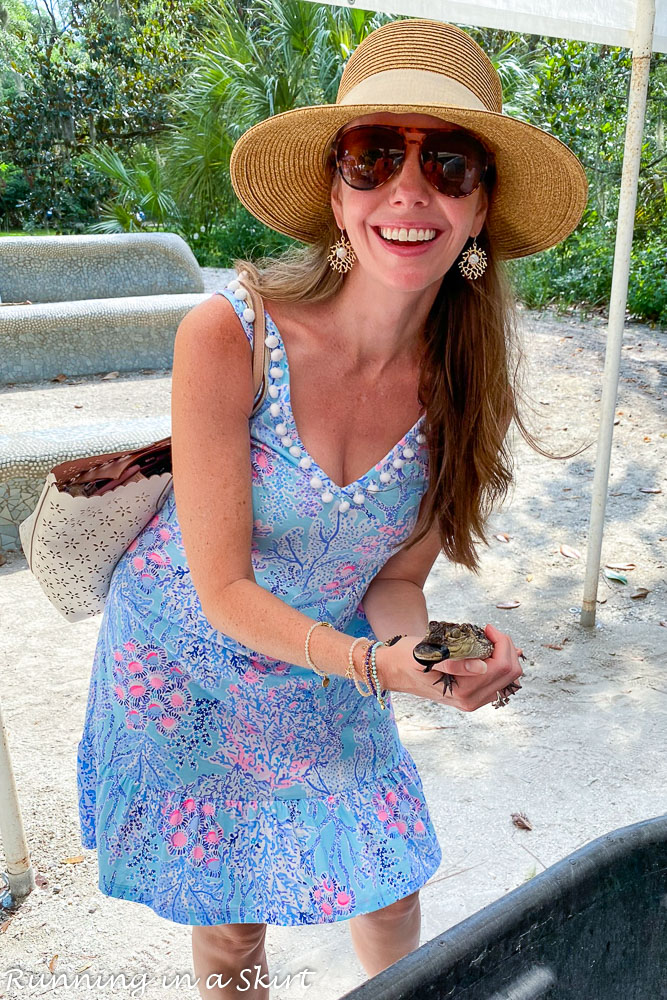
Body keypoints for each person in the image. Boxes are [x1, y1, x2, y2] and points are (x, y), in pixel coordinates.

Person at [76, 17, 587, 1000]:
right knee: (231, 932)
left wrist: (440, 651)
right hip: (184, 657)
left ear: (479, 211)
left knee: (390, 887)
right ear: (334, 194)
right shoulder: (229, 334)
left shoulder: (458, 386)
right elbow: (221, 586)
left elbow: (395, 579)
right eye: (371, 157)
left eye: (446, 163)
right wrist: (369, 662)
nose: (408, 189)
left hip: (331, 664)